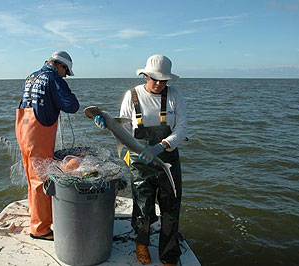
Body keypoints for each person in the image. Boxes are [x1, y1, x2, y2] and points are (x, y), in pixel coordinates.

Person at [94, 54, 187, 265]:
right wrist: (108, 126)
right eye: (154, 78)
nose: (158, 83)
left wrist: (160, 146)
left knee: (170, 207)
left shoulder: (175, 96)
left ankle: (170, 253)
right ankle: (142, 242)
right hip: (139, 160)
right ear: (145, 75)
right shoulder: (132, 96)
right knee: (142, 206)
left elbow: (181, 129)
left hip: (167, 157)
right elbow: (123, 130)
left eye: (163, 80)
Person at [15, 51, 79, 241]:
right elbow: (72, 105)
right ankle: (40, 229)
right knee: (41, 179)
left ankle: (35, 214)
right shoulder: (53, 78)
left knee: (30, 176)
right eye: (66, 71)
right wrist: (66, 91)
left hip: (22, 128)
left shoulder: (32, 76)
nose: (65, 75)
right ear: (59, 66)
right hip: (38, 132)